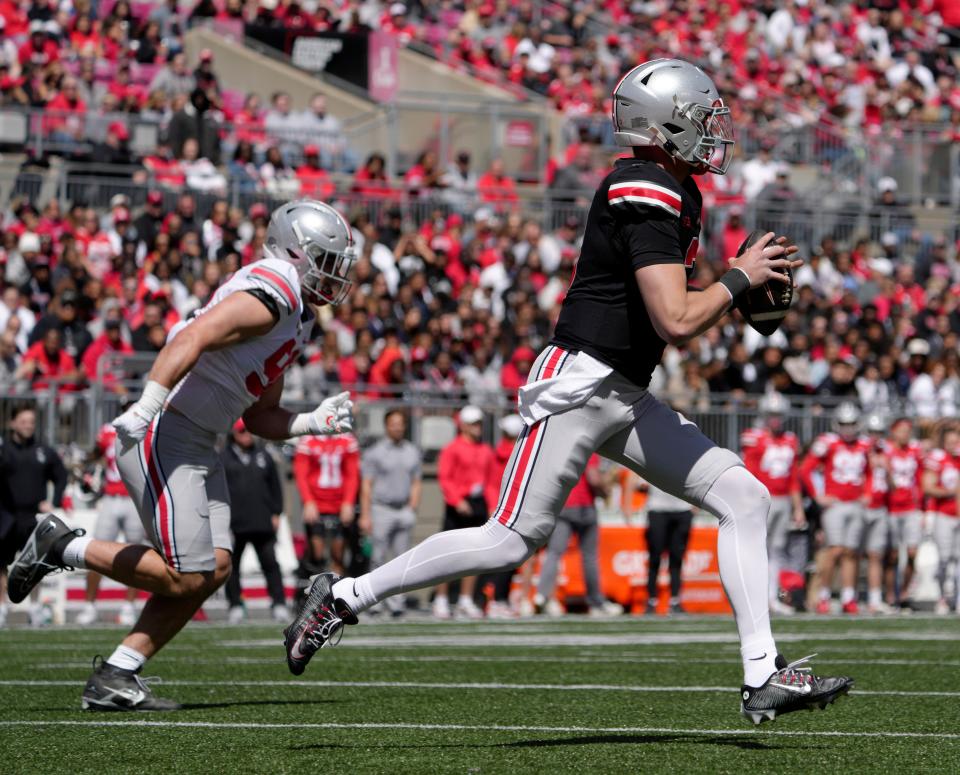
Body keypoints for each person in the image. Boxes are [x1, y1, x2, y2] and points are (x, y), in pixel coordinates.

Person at [288, 59, 852, 725]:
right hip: (583, 384)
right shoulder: (644, 186)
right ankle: (345, 595)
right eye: (701, 118)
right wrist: (736, 280)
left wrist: (745, 293)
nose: (711, 131)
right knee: (508, 539)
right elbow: (677, 318)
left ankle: (763, 674)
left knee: (745, 496)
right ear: (665, 122)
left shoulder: (676, 188)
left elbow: (680, 317)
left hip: (624, 389)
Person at [6, 198, 357, 710]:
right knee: (187, 573)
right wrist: (149, 405)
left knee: (212, 570)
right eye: (326, 261)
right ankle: (60, 546)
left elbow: (259, 416)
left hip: (197, 438)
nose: (334, 275)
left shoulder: (296, 314)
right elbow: (192, 335)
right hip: (168, 429)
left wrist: (310, 422)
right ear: (295, 252)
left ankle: (116, 674)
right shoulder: (277, 287)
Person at [800, 403, 871, 615]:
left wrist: (868, 493)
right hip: (836, 504)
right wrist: (817, 496)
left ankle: (849, 597)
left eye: (851, 424)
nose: (848, 428)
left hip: (855, 504)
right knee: (835, 550)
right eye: (843, 424)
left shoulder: (864, 445)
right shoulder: (827, 443)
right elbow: (805, 469)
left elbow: (869, 472)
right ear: (836, 424)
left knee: (851, 552)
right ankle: (824, 596)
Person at [0, 406, 68, 628]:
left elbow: (60, 475)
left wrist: (55, 501)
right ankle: (1, 608)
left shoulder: (43, 451)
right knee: (1, 564)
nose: (28, 425)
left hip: (33, 517)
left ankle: (36, 609)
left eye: (31, 421)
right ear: (12, 423)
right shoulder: (4, 449)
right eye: (23, 421)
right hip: (7, 516)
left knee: (36, 563)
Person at [76, 416, 146, 627]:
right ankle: (89, 606)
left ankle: (129, 607)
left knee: (137, 554)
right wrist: (83, 464)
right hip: (110, 497)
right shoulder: (108, 430)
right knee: (96, 552)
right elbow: (96, 454)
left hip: (135, 498)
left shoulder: (148, 428)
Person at [740, 392, 804, 615]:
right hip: (761, 499)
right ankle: (752, 599)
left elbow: (794, 477)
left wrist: (798, 507)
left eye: (778, 414)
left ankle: (771, 597)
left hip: (783, 500)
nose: (775, 419)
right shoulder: (754, 437)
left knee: (776, 550)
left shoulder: (790, 439)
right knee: (756, 548)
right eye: (771, 414)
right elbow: (748, 472)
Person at [535, 454, 622, 617]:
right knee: (589, 557)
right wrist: (605, 490)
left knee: (554, 553)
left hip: (563, 505)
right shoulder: (589, 450)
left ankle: (543, 595)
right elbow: (593, 479)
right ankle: (596, 602)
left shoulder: (563, 448)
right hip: (583, 507)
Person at [432, 405, 498, 620]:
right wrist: (456, 500)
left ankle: (465, 599)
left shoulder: (486, 450)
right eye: (473, 423)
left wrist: (491, 505)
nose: (478, 427)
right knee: (447, 554)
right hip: (458, 505)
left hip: (477, 504)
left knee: (474, 554)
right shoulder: (452, 448)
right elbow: (445, 478)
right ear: (463, 425)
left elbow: (490, 482)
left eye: (479, 423)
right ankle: (441, 599)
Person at [222, 419, 287, 624]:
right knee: (231, 567)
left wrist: (276, 512)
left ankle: (279, 604)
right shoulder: (222, 458)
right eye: (242, 431)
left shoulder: (263, 455)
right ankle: (235, 605)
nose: (247, 435)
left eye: (249, 431)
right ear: (234, 433)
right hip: (235, 522)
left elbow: (276, 486)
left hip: (261, 520)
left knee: (270, 563)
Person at [357, 410, 421, 616]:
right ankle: (374, 601)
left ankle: (396, 604)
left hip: (403, 509)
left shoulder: (412, 450)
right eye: (394, 423)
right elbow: (366, 485)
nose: (398, 427)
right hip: (381, 509)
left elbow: (416, 481)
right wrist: (366, 515)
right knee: (378, 557)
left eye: (401, 423)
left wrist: (412, 506)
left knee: (402, 559)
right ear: (386, 426)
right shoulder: (375, 452)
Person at [293, 427, 360, 577]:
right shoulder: (307, 441)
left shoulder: (348, 440)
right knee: (317, 553)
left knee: (338, 554)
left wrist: (348, 502)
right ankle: (316, 590)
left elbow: (352, 474)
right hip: (317, 504)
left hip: (339, 504)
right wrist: (308, 501)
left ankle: (336, 593)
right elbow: (301, 474)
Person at [884, 418, 924, 610]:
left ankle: (904, 592)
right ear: (893, 432)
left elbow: (920, 477)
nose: (904, 434)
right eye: (901, 430)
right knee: (892, 555)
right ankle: (891, 594)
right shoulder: (886, 451)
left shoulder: (915, 451)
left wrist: (922, 506)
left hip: (910, 507)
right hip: (891, 508)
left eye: (907, 431)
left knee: (912, 552)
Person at [923, 423, 960, 615]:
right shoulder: (938, 459)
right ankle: (942, 597)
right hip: (944, 514)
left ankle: (958, 597)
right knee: (944, 558)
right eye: (951, 441)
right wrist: (951, 492)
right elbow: (927, 486)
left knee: (959, 558)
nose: (955, 444)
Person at [643, 480, 694, 616]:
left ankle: (675, 601)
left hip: (682, 509)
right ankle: (651, 601)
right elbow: (634, 478)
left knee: (677, 558)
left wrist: (696, 503)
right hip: (657, 509)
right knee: (655, 557)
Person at [862, 414, 894, 615]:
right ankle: (844, 597)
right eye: (873, 432)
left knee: (876, 554)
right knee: (848, 552)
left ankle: (874, 599)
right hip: (861, 507)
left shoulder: (886, 453)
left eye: (879, 433)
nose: (876, 436)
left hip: (880, 507)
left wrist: (888, 469)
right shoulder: (859, 450)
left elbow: (894, 486)